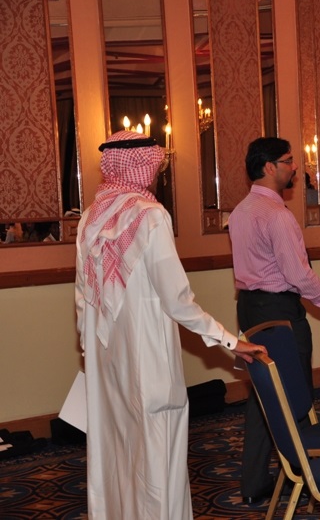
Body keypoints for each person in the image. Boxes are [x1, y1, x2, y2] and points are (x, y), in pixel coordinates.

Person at [75, 130, 264, 520]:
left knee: (118, 450)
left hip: (106, 359)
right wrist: (230, 341)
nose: (156, 173)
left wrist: (89, 349)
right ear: (143, 166)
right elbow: (178, 301)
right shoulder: (151, 215)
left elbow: (82, 299)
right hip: (149, 360)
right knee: (157, 452)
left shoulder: (91, 216)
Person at [228, 136, 320, 504]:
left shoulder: (240, 211)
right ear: (269, 167)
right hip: (279, 313)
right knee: (294, 393)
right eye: (288, 161)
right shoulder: (277, 215)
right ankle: (306, 476)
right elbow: (298, 276)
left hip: (249, 307)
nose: (295, 167)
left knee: (264, 394)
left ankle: (255, 482)